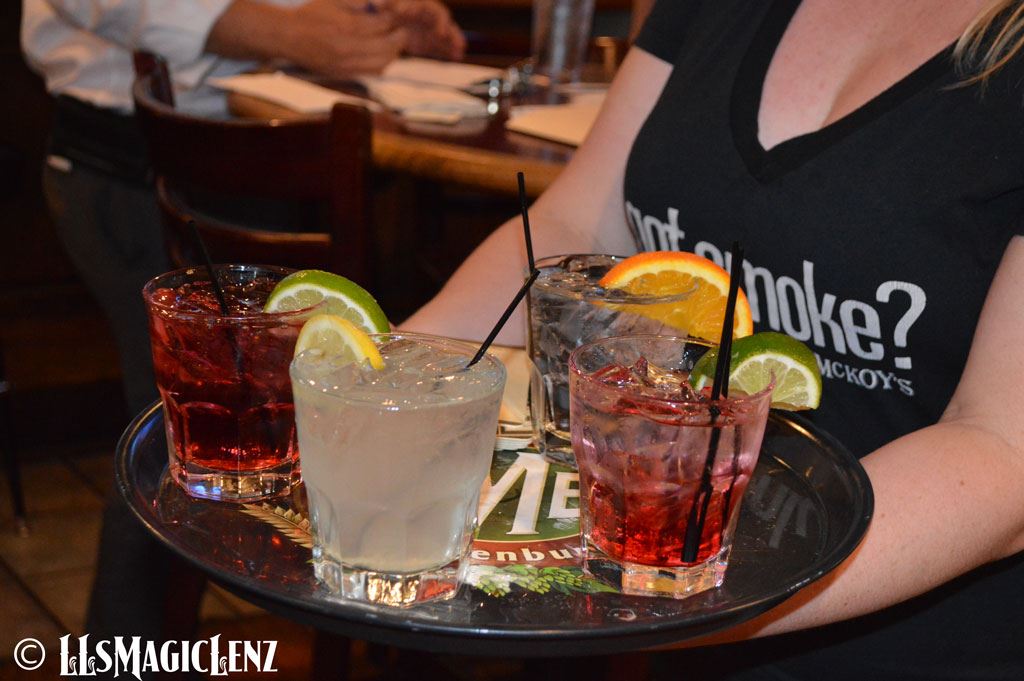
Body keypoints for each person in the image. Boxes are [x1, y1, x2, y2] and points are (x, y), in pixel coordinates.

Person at [403, 0, 1024, 678]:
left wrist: (689, 594)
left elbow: (1001, 444)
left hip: (895, 644)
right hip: (652, 602)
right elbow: (579, 225)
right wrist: (391, 377)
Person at [20, 0, 465, 649]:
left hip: (259, 158)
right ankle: (122, 657)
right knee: (172, 446)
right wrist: (295, 31)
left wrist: (373, 17)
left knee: (225, 440)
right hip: (131, 165)